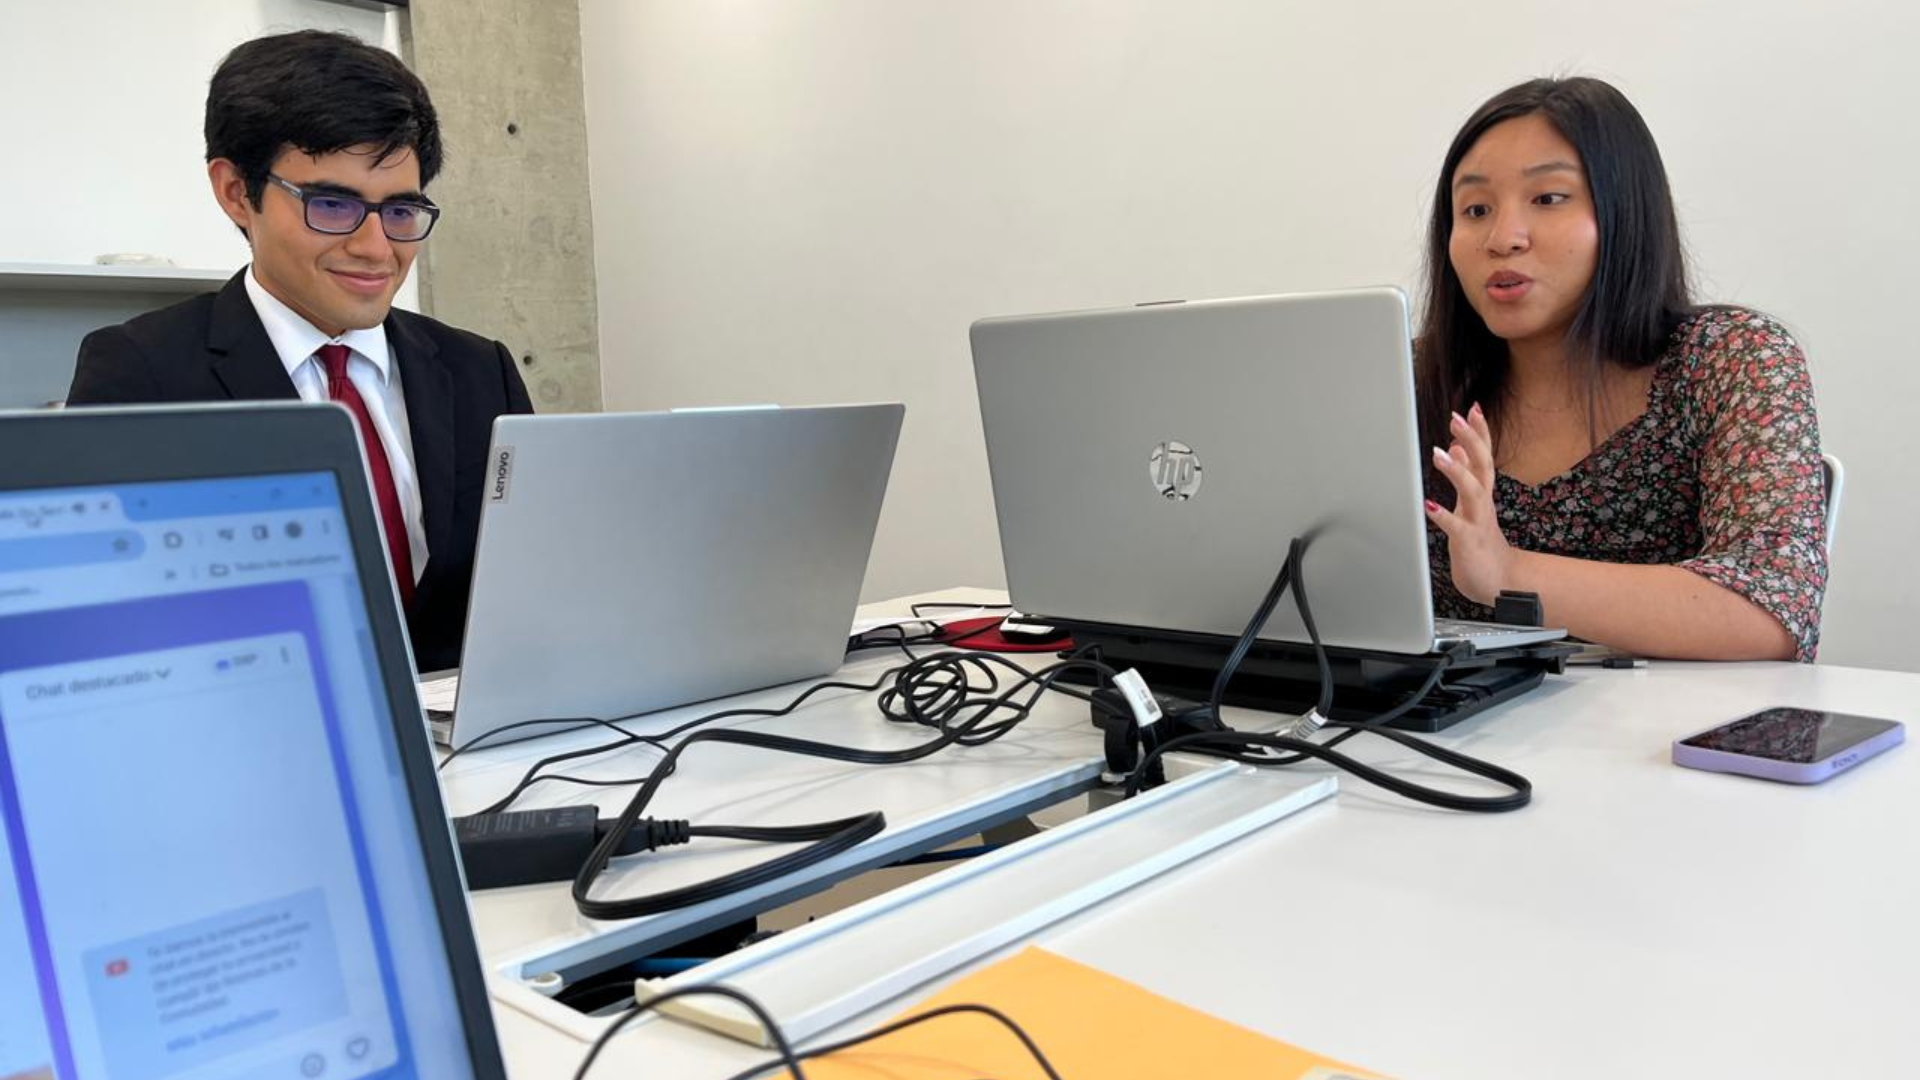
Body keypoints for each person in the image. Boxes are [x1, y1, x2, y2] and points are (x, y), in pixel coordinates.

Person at [67, 29, 532, 671]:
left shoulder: (481, 371)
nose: (375, 248)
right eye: (333, 205)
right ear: (237, 192)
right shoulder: (143, 371)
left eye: (401, 211)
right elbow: (111, 624)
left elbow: (528, 588)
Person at [1416, 77, 1825, 661]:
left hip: (1673, 718)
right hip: (1443, 717)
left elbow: (1774, 609)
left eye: (1548, 198)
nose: (1503, 239)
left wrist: (1505, 571)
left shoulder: (1731, 358)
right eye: (1476, 209)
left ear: (1624, 213)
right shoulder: (1410, 378)